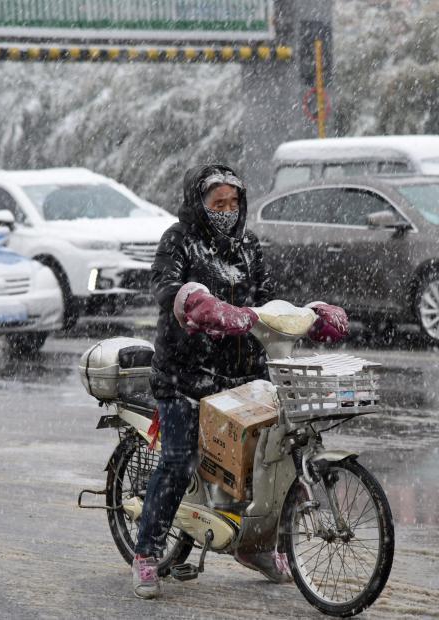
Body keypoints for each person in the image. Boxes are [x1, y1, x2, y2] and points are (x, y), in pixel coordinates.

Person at [131, 164, 349, 600]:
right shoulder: (179, 239)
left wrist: (307, 315)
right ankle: (147, 552)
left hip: (241, 374)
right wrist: (196, 303)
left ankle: (255, 546)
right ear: (200, 204)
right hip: (185, 377)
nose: (227, 211)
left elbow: (268, 300)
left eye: (233, 203)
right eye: (218, 204)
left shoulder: (247, 245)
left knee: (263, 463)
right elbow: (164, 286)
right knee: (178, 462)